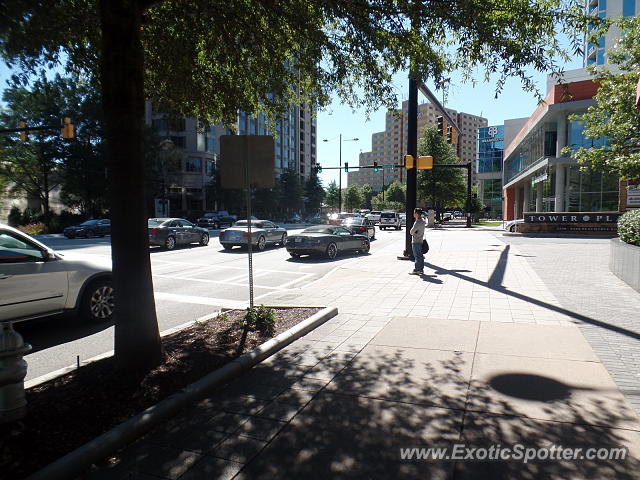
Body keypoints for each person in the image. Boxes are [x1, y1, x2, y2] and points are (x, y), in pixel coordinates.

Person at [409, 207, 426, 275]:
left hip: (416, 241)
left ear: (416, 214)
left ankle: (417, 269)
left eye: (414, 213)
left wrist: (414, 232)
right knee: (420, 256)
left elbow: (411, 232)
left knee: (417, 256)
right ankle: (421, 269)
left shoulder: (417, 222)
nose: (413, 214)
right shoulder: (422, 221)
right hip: (421, 240)